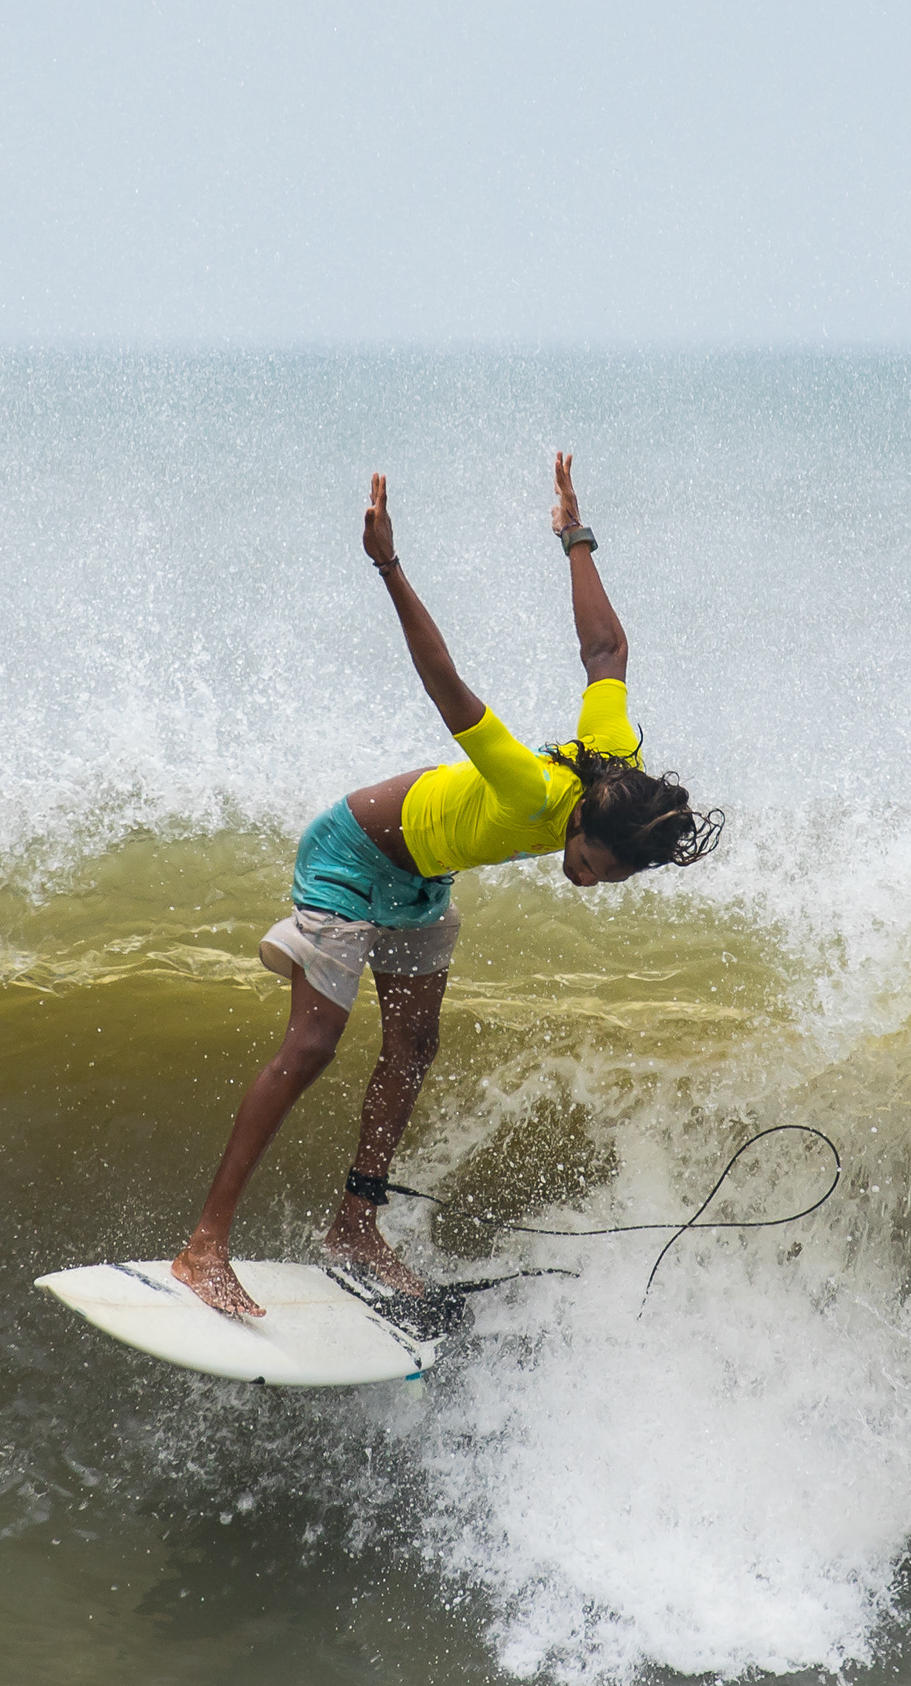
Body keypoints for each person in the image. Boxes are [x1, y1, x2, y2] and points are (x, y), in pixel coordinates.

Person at [172, 453, 715, 1320]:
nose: (586, 881)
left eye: (606, 880)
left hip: (421, 883)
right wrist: (389, 565)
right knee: (313, 1048)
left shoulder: (620, 771)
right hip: (355, 857)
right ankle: (204, 1248)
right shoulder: (532, 788)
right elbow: (447, 686)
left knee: (413, 1048)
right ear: (578, 825)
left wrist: (574, 535)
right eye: (586, 864)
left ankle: (355, 1224)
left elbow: (606, 649)